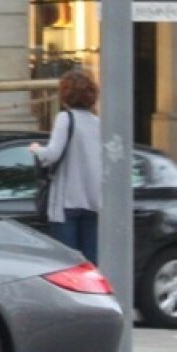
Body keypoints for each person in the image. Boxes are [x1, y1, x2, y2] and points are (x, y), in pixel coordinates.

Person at [29, 69, 102, 264]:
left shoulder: (65, 119)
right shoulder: (99, 123)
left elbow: (52, 155)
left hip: (67, 202)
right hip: (93, 201)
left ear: (65, 95)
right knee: (90, 264)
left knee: (66, 264)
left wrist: (36, 149)